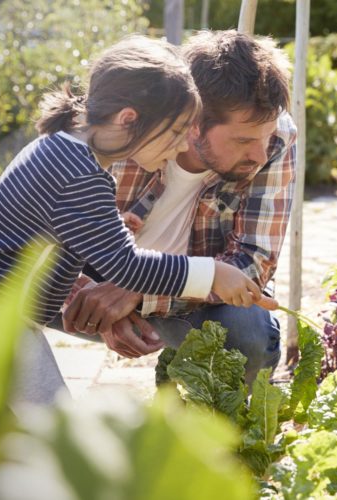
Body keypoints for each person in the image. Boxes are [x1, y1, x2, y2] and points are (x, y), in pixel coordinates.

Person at [0, 35, 262, 408]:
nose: (183, 146)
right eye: (175, 132)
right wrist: (214, 274)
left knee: (18, 416)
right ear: (128, 120)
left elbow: (56, 232)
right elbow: (128, 267)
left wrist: (105, 226)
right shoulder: (80, 175)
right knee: (50, 422)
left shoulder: (66, 150)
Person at [59, 30, 297, 385]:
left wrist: (137, 288)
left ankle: (186, 412)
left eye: (265, 136)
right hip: (94, 290)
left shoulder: (275, 138)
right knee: (3, 291)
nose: (260, 155)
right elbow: (38, 247)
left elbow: (252, 264)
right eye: (244, 140)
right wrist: (100, 310)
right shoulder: (117, 133)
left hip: (191, 299)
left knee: (249, 334)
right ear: (194, 125)